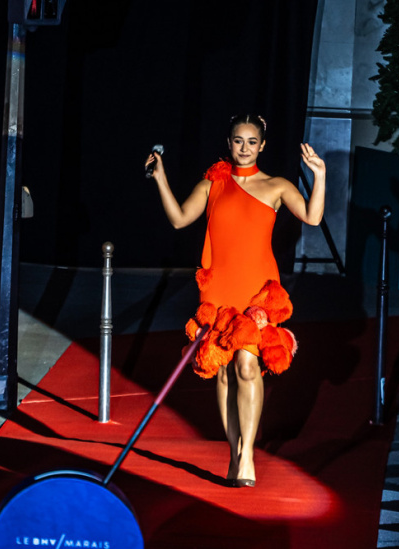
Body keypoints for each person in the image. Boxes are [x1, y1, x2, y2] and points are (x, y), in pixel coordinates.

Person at [145, 114, 326, 488]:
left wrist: (320, 176)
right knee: (226, 372)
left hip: (257, 292)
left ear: (262, 145)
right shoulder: (213, 184)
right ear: (228, 143)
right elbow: (180, 220)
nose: (244, 148)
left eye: (251, 142)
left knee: (247, 365)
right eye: (238, 141)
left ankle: (247, 456)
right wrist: (161, 177)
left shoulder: (276, 185)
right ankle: (234, 450)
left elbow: (312, 215)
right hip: (219, 290)